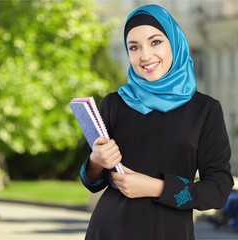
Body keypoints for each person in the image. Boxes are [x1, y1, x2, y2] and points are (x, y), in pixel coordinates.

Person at [79, 4, 234, 240]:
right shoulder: (114, 104)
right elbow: (91, 180)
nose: (145, 56)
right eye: (134, 47)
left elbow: (218, 191)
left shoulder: (204, 110)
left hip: (168, 232)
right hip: (109, 230)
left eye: (155, 42)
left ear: (174, 42)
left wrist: (155, 187)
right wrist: (96, 161)